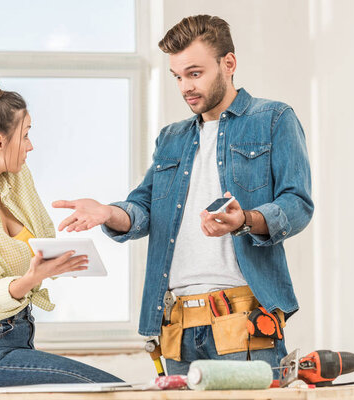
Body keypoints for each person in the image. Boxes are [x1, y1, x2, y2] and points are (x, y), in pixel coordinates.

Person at [54, 15, 313, 376]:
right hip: (176, 325)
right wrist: (108, 213)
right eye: (177, 76)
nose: (185, 87)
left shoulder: (273, 119)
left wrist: (246, 220)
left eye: (195, 73)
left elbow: (297, 203)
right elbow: (144, 208)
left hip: (243, 322)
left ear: (229, 63)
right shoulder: (171, 138)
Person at [0, 76, 123, 390]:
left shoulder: (17, 179)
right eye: (25, 135)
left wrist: (61, 259)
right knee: (109, 388)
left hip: (19, 337)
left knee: (102, 389)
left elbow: (43, 236)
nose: (30, 145)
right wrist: (33, 277)